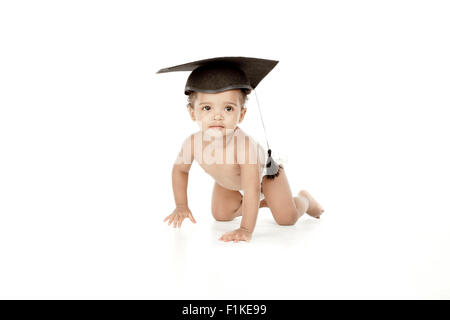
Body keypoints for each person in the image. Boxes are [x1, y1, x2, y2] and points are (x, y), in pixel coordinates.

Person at [158, 57, 324, 242]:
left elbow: (252, 189)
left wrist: (245, 229)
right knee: (221, 214)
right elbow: (180, 170)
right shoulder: (191, 143)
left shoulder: (244, 147)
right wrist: (181, 205)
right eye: (207, 108)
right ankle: (267, 202)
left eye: (228, 108)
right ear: (192, 112)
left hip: (265, 178)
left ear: (241, 114)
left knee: (287, 218)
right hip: (231, 182)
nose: (218, 116)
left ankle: (305, 200)